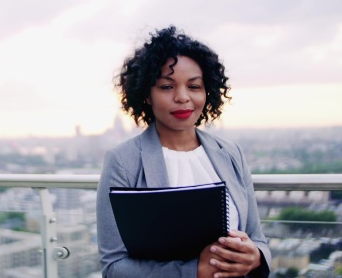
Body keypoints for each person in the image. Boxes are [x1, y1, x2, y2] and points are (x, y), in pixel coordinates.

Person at [96, 26, 271, 278]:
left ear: (207, 91)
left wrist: (256, 257)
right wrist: (192, 272)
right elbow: (113, 267)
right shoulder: (123, 161)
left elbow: (258, 239)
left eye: (194, 86)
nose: (182, 97)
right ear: (147, 94)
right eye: (167, 87)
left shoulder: (231, 153)